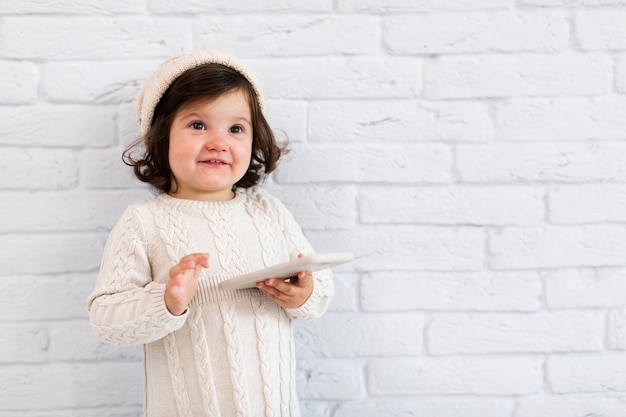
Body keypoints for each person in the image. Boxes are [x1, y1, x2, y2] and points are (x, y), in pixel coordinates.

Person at [87, 51, 335, 417]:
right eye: (198, 125)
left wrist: (305, 292)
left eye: (236, 129)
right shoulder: (145, 221)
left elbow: (320, 290)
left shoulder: (268, 211)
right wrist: (166, 301)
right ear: (162, 135)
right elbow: (106, 321)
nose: (219, 141)